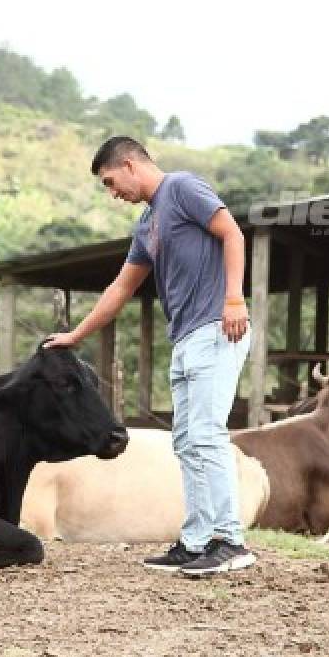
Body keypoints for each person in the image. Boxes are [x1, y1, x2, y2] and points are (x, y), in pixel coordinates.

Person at [44, 136, 255, 576]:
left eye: (110, 182)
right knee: (186, 440)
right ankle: (197, 541)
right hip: (186, 339)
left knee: (207, 434)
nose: (112, 192)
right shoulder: (147, 225)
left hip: (215, 328)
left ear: (129, 164)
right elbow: (121, 287)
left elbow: (231, 231)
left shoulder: (181, 188)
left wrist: (233, 299)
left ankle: (230, 540)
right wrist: (76, 335)